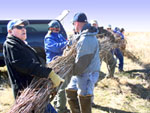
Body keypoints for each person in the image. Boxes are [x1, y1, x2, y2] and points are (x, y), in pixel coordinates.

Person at [3, 19, 64, 113]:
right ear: (10, 31)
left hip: (34, 91)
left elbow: (34, 63)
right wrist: (49, 73)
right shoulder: (11, 44)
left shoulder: (21, 44)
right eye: (19, 27)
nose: (23, 29)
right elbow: (26, 65)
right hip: (27, 93)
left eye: (24, 27)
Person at [65, 13, 100, 113]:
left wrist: (69, 71)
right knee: (70, 90)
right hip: (80, 71)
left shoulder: (87, 38)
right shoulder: (82, 35)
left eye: (73, 24)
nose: (73, 26)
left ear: (76, 23)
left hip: (87, 72)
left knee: (84, 96)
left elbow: (82, 63)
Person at [44, 20, 70, 113]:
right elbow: (56, 48)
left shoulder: (59, 36)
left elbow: (65, 43)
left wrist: (68, 43)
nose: (56, 30)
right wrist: (66, 44)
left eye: (57, 28)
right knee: (60, 86)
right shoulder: (48, 38)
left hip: (61, 64)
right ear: (50, 29)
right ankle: (61, 109)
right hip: (54, 65)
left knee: (58, 86)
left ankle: (57, 104)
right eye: (53, 28)